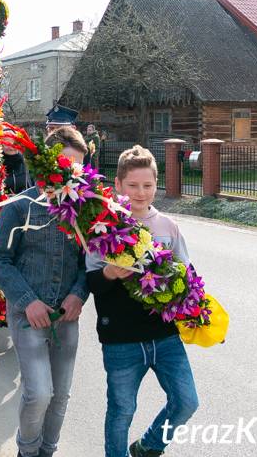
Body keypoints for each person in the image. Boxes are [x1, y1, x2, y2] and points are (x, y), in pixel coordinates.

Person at [86, 145, 199, 457]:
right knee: (122, 411)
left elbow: (187, 275)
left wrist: (194, 306)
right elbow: (90, 282)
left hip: (165, 336)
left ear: (156, 184)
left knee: (186, 402)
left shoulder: (168, 227)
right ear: (118, 185)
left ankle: (149, 445)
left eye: (147, 185)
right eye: (133, 185)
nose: (140, 193)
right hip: (121, 339)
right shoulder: (104, 227)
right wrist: (109, 273)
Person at [0, 127, 90, 457]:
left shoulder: (85, 209)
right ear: (45, 162)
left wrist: (79, 293)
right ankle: (27, 452)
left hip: (66, 316)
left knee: (61, 395)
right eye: (66, 164)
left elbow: (90, 261)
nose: (73, 173)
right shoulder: (21, 207)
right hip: (28, 316)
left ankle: (49, 451)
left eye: (78, 166)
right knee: (39, 394)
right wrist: (27, 301)